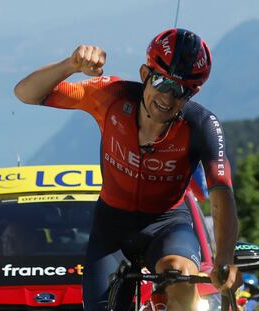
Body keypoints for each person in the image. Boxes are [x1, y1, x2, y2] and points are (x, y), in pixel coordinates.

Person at [14, 28, 239, 310]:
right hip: (112, 227)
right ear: (145, 73)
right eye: (162, 82)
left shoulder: (202, 125)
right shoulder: (111, 96)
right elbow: (25, 93)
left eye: (181, 91)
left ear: (194, 93)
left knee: (181, 279)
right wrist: (70, 64)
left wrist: (225, 257)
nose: (168, 98)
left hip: (168, 224)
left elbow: (221, 192)